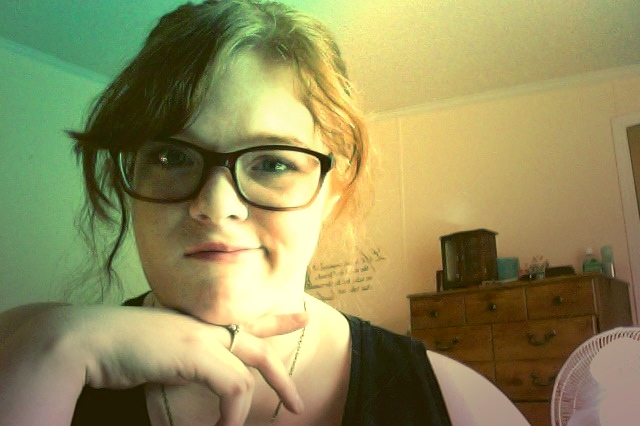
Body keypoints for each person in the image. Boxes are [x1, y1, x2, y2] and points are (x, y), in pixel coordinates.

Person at [0, 1, 529, 425]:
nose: (216, 206)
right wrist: (41, 361)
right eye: (171, 157)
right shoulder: (31, 366)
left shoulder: (464, 409)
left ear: (334, 191)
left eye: (273, 163)